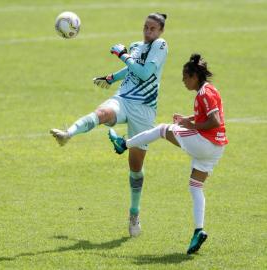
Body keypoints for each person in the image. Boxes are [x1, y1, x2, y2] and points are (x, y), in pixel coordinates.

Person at [50, 13, 168, 237]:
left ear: (160, 31)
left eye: (152, 29)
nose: (148, 32)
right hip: (123, 99)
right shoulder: (136, 46)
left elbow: (144, 73)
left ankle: (134, 214)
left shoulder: (161, 46)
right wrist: (111, 78)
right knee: (102, 112)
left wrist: (123, 55)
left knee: (135, 168)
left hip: (144, 109)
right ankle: (68, 134)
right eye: (146, 27)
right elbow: (131, 70)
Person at [108, 53, 228, 254]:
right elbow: (209, 116)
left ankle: (124, 144)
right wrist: (187, 119)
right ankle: (199, 231)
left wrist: (190, 123)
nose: (183, 81)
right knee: (195, 187)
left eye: (185, 77)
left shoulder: (204, 94)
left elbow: (214, 121)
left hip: (206, 142)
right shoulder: (210, 90)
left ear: (194, 76)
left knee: (162, 129)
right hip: (216, 149)